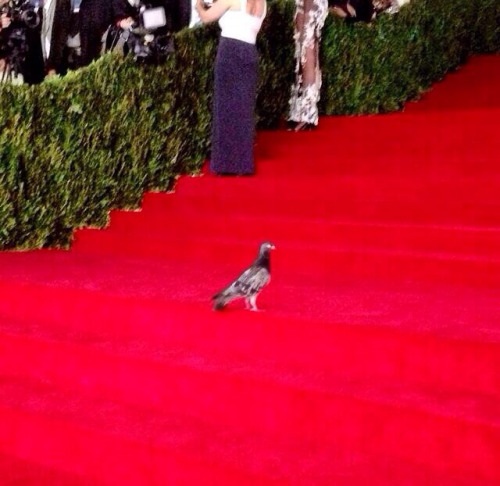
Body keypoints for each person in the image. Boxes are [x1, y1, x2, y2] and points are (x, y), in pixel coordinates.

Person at [196, 0, 267, 175]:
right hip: (250, 52)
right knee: (243, 109)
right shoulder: (263, 3)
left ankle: (224, 164)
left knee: (225, 108)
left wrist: (198, 4)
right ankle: (242, 164)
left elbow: (206, 17)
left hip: (230, 52)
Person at [288, 0, 328, 131]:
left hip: (309, 7)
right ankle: (301, 112)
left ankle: (307, 113)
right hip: (308, 7)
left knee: (307, 55)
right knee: (304, 55)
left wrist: (306, 12)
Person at [41, 0, 72, 76]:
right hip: (44, 56)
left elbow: (62, 35)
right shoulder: (40, 5)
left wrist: (53, 64)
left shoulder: (63, 4)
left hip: (55, 59)